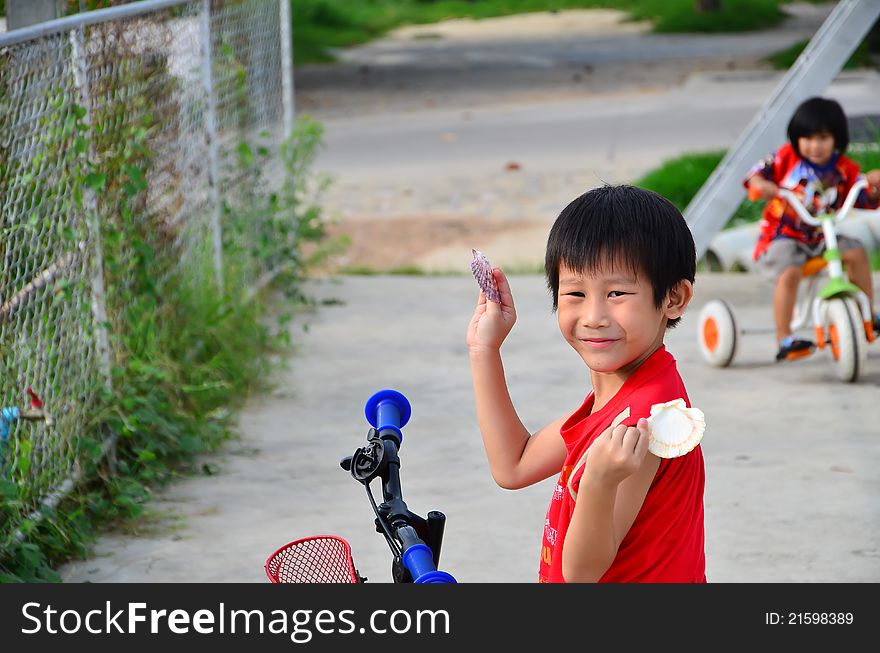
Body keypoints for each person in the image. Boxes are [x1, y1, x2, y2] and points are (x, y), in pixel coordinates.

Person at [466, 184, 706, 583]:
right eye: (575, 292)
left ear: (674, 298)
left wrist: (598, 481)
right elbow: (515, 464)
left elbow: (580, 574)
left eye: (617, 293)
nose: (594, 315)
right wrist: (484, 350)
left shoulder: (645, 422)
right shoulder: (616, 394)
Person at [744, 96, 880, 362]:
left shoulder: (844, 169)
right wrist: (762, 184)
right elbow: (754, 175)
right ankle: (785, 337)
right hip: (782, 238)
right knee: (790, 272)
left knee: (855, 250)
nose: (814, 146)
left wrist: (873, 187)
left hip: (821, 236)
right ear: (797, 139)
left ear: (836, 140)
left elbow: (861, 197)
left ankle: (867, 314)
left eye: (823, 138)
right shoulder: (785, 159)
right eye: (807, 138)